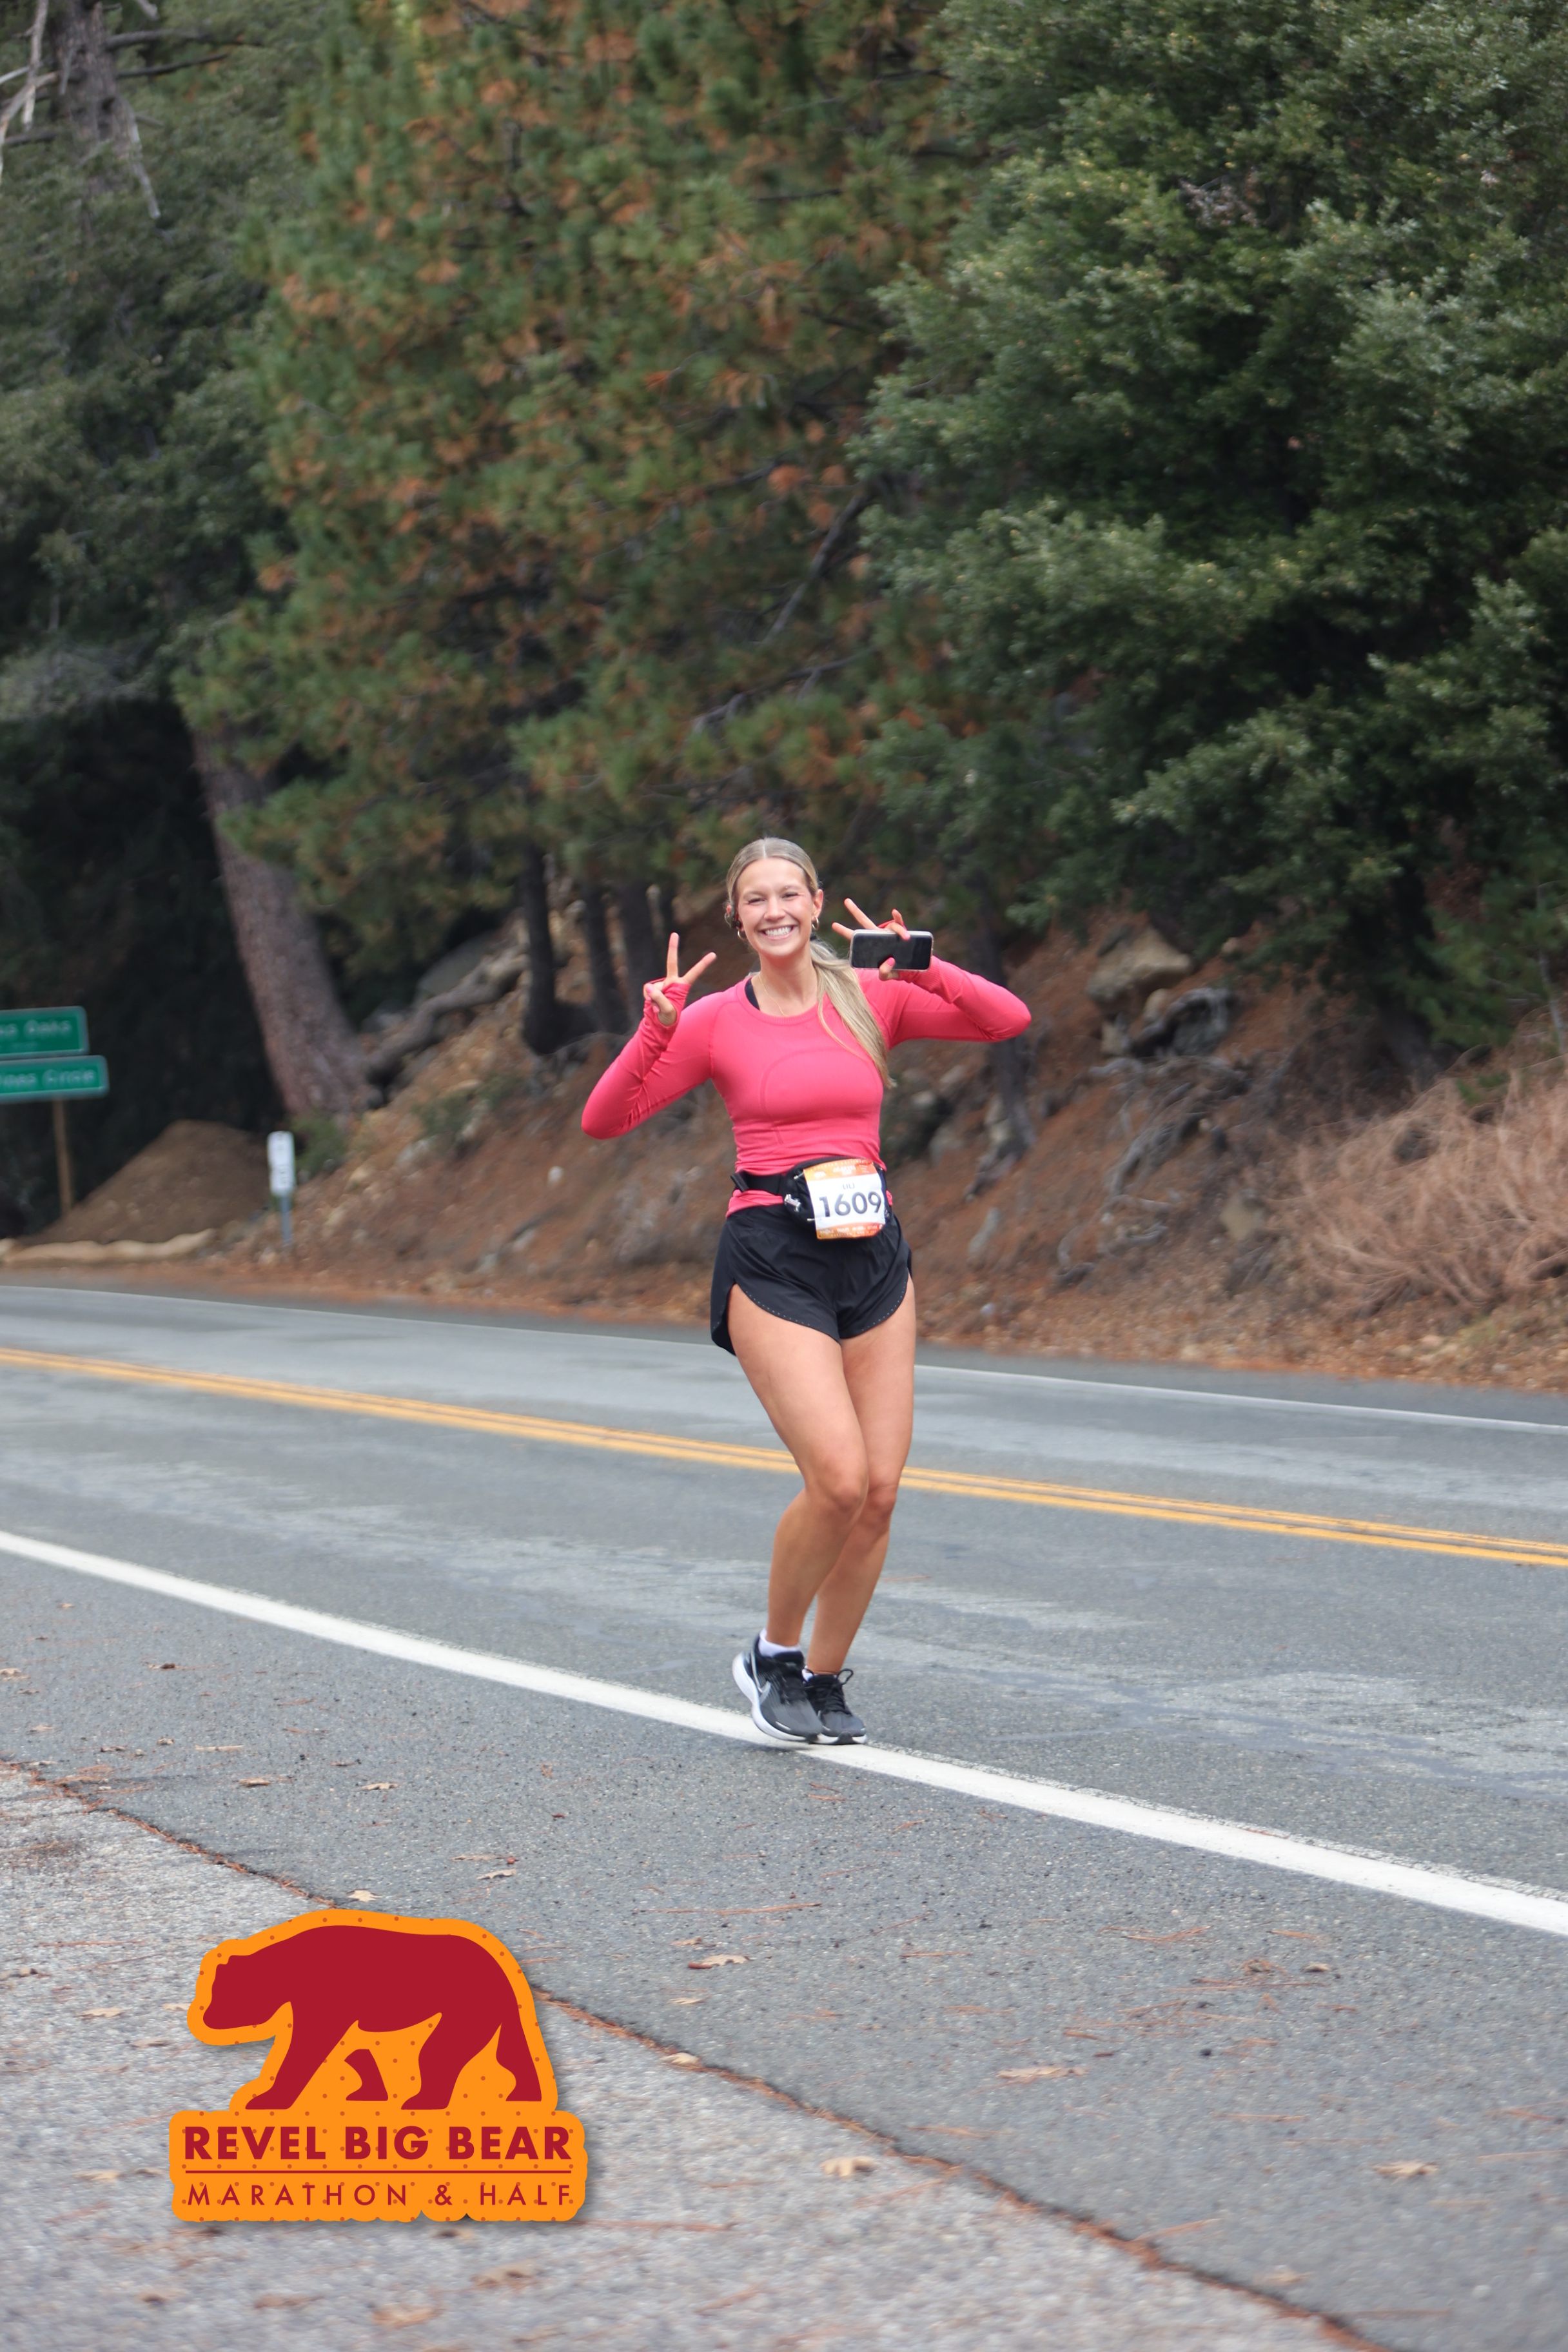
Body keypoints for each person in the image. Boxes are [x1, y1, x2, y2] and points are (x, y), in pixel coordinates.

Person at [582, 838, 1031, 1747]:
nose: (775, 911)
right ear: (736, 918)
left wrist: (927, 966)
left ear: (818, 904)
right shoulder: (715, 1021)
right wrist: (655, 1031)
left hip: (872, 1252)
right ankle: (773, 1656)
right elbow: (605, 1119)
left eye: (790, 894)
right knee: (837, 1477)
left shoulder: (872, 997)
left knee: (880, 1493)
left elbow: (1007, 1020)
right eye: (756, 899)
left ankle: (823, 1680)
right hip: (773, 1253)